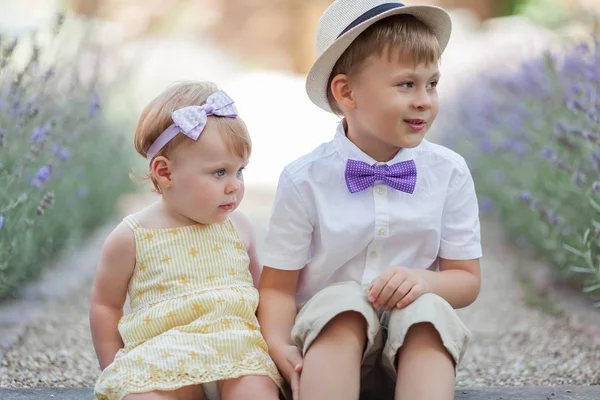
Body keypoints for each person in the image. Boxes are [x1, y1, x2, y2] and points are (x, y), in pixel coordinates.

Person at [258, 1, 482, 399]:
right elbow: (277, 287)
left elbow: (466, 279)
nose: (424, 100)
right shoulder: (305, 179)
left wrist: (424, 280)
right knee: (340, 304)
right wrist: (279, 346)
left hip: (411, 352)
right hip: (331, 352)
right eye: (406, 84)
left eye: (431, 84)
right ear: (347, 92)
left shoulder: (448, 172)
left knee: (428, 312)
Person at [90, 81, 283, 400]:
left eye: (241, 171)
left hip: (236, 351)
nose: (235, 186)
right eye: (220, 172)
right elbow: (105, 305)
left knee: (256, 391)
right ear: (165, 173)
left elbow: (265, 294)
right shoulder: (132, 236)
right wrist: (115, 369)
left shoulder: (240, 227)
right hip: (160, 356)